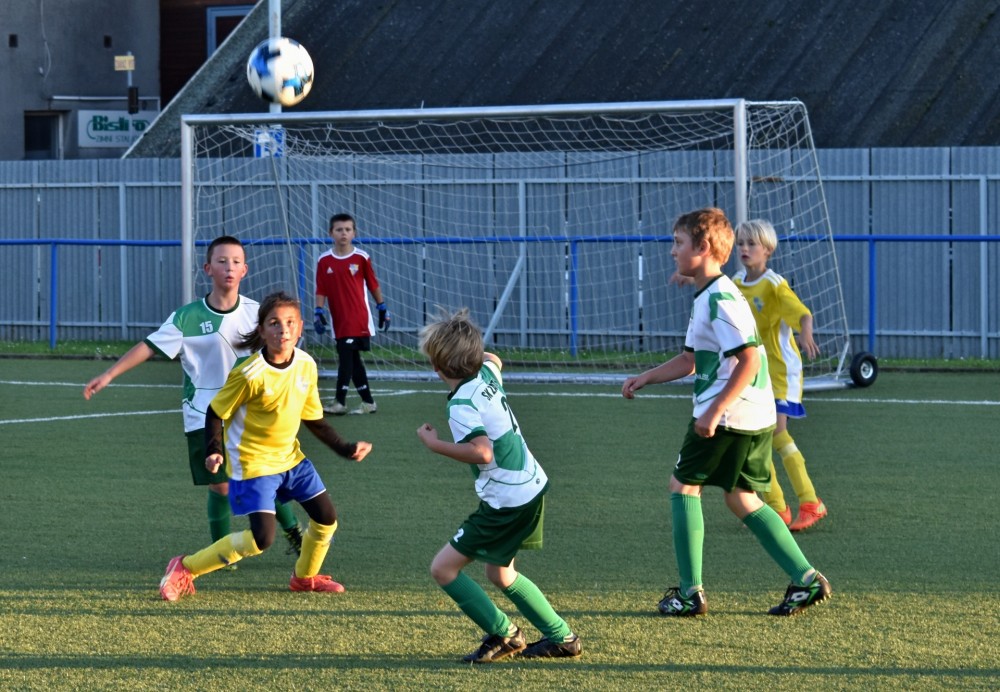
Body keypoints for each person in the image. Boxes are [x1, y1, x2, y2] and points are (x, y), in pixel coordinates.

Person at [622, 207, 831, 617]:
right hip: (751, 415)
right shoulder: (711, 294)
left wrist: (714, 411)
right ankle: (806, 579)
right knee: (741, 498)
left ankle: (690, 594)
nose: (672, 251)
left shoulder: (720, 298)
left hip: (731, 416)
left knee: (683, 487)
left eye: (678, 243)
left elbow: (750, 360)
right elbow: (691, 360)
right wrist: (645, 377)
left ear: (703, 247)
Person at [83, 235, 305, 556]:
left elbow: (281, 352)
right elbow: (149, 346)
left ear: (245, 270)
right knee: (221, 484)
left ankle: (294, 532)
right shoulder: (186, 318)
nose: (229, 267)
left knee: (263, 478)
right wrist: (109, 374)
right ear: (208, 268)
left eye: (236, 262)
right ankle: (221, 552)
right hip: (203, 413)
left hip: (249, 412)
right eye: (221, 261)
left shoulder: (258, 314)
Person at [158, 291, 373, 601]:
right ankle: (185, 567)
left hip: (291, 459)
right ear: (261, 330)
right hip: (252, 463)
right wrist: (214, 450)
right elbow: (216, 411)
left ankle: (304, 578)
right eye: (274, 323)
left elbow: (314, 419)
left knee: (326, 518)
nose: (283, 329)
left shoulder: (306, 365)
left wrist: (345, 448)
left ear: (300, 327)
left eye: (290, 322)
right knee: (261, 539)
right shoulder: (249, 373)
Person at [415, 308, 582, 662]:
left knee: (443, 568)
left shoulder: (461, 404)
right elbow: (494, 359)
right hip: (531, 487)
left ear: (437, 367)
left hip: (506, 501)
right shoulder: (487, 372)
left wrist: (434, 444)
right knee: (501, 572)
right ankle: (562, 637)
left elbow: (482, 452)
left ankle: (506, 635)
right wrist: (478, 353)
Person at [732, 219, 826, 531]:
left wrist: (806, 331)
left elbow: (802, 313)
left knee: (775, 434)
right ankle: (778, 508)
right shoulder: (736, 282)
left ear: (768, 250)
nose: (744, 249)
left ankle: (809, 502)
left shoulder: (774, 284)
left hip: (782, 370)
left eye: (752, 244)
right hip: (754, 370)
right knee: (755, 439)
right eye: (741, 243)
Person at [313, 213, 389, 416]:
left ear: (354, 233)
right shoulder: (324, 260)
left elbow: (373, 284)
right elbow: (321, 288)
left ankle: (340, 402)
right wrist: (318, 310)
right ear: (331, 233)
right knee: (353, 360)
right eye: (339, 230)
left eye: (348, 229)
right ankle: (368, 402)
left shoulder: (361, 257)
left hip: (358, 318)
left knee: (346, 358)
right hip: (339, 320)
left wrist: (382, 306)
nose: (343, 233)